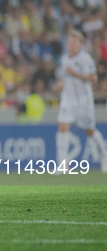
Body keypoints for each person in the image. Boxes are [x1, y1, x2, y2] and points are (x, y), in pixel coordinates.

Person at [53, 30, 107, 173]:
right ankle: (62, 164)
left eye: (75, 42)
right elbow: (65, 78)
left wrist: (75, 73)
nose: (72, 44)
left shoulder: (85, 58)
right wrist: (59, 85)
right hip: (68, 99)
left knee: (90, 131)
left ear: (80, 44)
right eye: (70, 41)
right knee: (62, 128)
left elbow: (93, 78)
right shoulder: (64, 59)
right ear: (66, 44)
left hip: (84, 100)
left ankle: (103, 154)